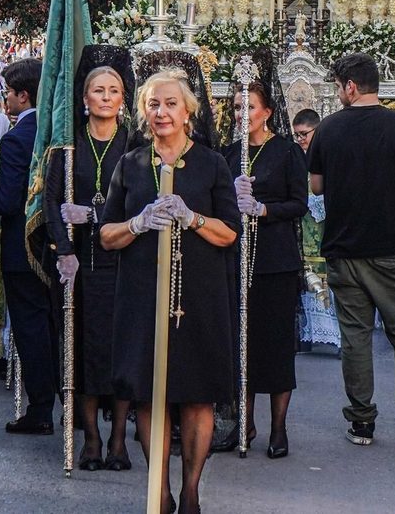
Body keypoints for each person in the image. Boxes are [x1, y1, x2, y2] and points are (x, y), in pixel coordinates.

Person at [99, 71, 238, 514]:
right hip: (142, 294)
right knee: (147, 392)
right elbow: (106, 234)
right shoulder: (131, 163)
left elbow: (229, 232)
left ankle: (192, 489)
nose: (161, 112)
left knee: (197, 393)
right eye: (154, 104)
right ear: (144, 112)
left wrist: (192, 217)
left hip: (198, 296)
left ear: (188, 112)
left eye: (171, 104)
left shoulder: (212, 164)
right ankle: (158, 488)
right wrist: (138, 223)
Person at [306, 53, 395, 446]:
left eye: (338, 87)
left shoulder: (328, 129)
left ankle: (362, 422)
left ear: (350, 87)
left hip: (344, 250)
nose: (338, 94)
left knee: (356, 338)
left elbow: (316, 186)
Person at [46, 50, 138, 466]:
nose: (106, 97)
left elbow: (143, 200)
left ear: (123, 98)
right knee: (80, 349)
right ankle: (90, 439)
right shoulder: (67, 146)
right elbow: (51, 202)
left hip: (124, 261)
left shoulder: (136, 144)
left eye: (113, 91)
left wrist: (96, 214)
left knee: (120, 351)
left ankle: (119, 439)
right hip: (79, 264)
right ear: (85, 97)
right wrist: (64, 251)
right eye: (98, 90)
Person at [224, 79, 308, 458]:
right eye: (238, 109)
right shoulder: (228, 155)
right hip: (235, 258)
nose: (243, 115)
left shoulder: (287, 152)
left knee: (274, 346)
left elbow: (299, 203)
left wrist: (264, 209)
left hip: (275, 259)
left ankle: (279, 427)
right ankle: (245, 421)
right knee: (241, 344)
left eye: (250, 108)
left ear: (268, 113)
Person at [0, 57, 57, 433]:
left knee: (30, 330)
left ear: (23, 96)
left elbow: (9, 201)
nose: (4, 99)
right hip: (58, 245)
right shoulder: (59, 132)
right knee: (56, 325)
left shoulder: (16, 139)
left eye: (7, 93)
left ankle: (41, 409)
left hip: (23, 249)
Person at [293, 108, 338, 355]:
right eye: (297, 135)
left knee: (327, 281)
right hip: (303, 229)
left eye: (304, 134)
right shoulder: (297, 157)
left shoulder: (328, 153)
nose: (300, 139)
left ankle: (337, 337)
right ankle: (307, 334)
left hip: (324, 232)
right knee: (306, 281)